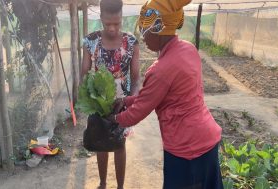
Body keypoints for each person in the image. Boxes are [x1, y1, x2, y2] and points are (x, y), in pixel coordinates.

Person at [109, 0, 223, 188]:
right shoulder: (188, 49)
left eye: (145, 30)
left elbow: (137, 113)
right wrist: (126, 100)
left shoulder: (161, 69)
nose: (143, 37)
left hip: (187, 149)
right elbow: (154, 95)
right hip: (207, 139)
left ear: (158, 29)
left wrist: (113, 118)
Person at [81, 0, 140, 188]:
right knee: (101, 143)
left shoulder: (131, 42)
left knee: (119, 144)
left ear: (122, 18)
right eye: (108, 24)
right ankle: (103, 183)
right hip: (99, 103)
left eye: (117, 23)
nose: (112, 28)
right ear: (100, 18)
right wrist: (88, 99)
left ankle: (120, 186)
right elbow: (84, 73)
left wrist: (131, 101)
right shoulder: (91, 41)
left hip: (121, 104)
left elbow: (136, 77)